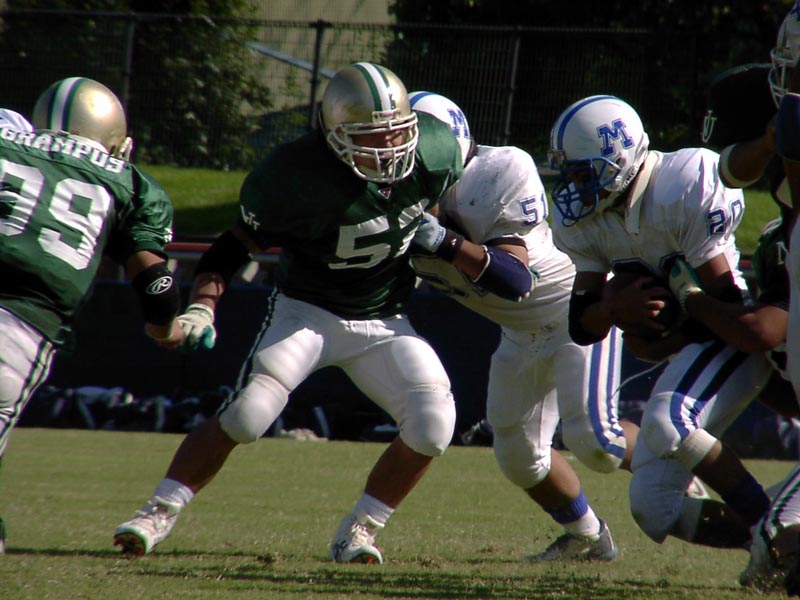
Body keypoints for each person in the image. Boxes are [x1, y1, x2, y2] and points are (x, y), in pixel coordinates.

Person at [113, 62, 464, 564]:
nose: (389, 148)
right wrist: (203, 306)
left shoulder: (436, 149)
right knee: (249, 415)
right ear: (334, 134)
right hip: (307, 312)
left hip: (385, 318)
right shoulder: (294, 175)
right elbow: (232, 247)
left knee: (434, 423)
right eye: (370, 137)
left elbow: (439, 210)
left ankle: (359, 532)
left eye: (396, 132)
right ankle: (157, 512)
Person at [407, 91, 637, 561]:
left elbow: (515, 280)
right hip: (520, 335)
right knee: (517, 454)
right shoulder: (393, 200)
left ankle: (673, 457)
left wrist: (445, 242)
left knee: (596, 441)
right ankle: (589, 538)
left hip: (574, 315)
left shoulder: (496, 171)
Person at [548, 94, 776, 552]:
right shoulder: (590, 221)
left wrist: (666, 333)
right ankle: (765, 535)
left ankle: (776, 535)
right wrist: (614, 310)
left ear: (618, 159)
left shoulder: (682, 182)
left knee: (670, 420)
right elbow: (582, 324)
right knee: (653, 505)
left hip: (735, 335)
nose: (574, 187)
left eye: (582, 173)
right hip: (697, 340)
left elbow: (728, 307)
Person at [0, 78, 182, 554]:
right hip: (22, 324)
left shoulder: (7, 139)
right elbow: (157, 285)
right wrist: (165, 327)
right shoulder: (130, 182)